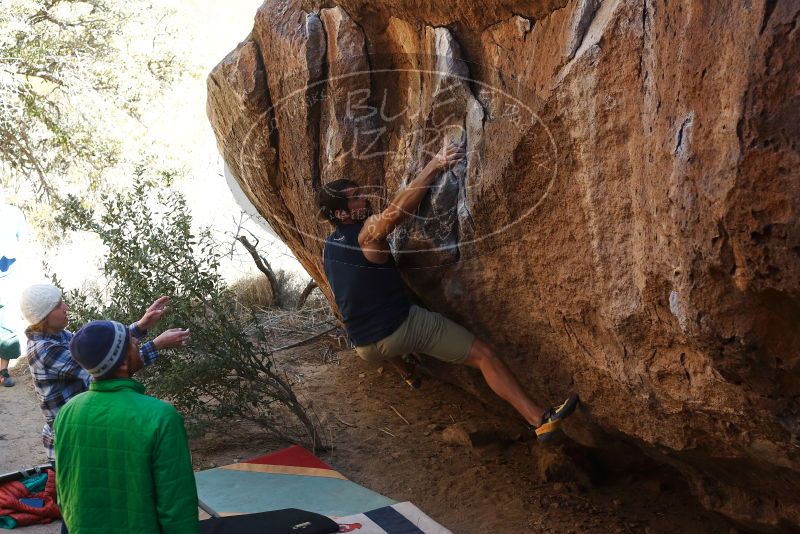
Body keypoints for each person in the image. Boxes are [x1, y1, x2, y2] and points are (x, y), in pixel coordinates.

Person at [317, 142, 578, 441]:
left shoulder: (328, 249)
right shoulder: (366, 233)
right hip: (399, 330)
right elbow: (395, 212)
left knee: (378, 332)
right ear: (341, 213)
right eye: (355, 198)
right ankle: (539, 419)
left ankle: (408, 374)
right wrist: (435, 165)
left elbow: (345, 296)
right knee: (484, 356)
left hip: (365, 347)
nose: (364, 198)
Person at [54, 320, 199, 533]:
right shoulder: (160, 417)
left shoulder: (67, 412)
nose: (138, 344)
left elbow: (65, 488)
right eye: (132, 342)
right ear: (122, 363)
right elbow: (177, 507)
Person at [19, 283, 190, 460]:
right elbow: (108, 366)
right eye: (58, 305)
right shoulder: (45, 350)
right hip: (71, 446)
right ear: (44, 316)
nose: (66, 307)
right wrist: (157, 345)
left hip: (83, 431)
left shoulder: (57, 335)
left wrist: (141, 325)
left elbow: (103, 350)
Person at [0, 199, 28, 387]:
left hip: (7, 275)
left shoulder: (13, 213)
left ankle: (3, 371)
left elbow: (23, 241)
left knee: (7, 323)